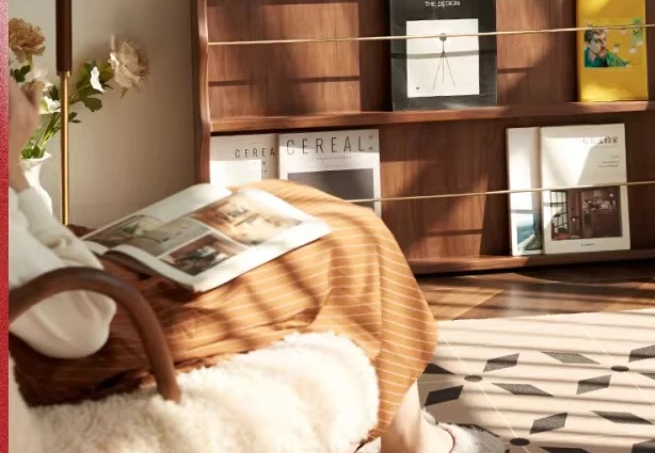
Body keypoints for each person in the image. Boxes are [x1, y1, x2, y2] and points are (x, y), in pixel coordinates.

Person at [8, 81, 501, 453]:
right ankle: (414, 443)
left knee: (272, 198)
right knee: (352, 240)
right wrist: (14, 168)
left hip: (63, 297)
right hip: (87, 332)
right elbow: (81, 328)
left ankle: (411, 436)